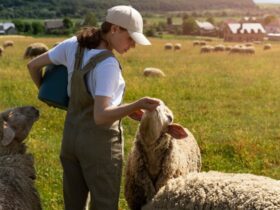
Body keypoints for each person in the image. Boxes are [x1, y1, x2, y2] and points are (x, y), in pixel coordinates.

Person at [27, 5, 160, 210]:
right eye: (131, 38)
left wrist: (49, 95)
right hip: (99, 148)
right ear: (115, 29)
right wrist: (138, 103)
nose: (132, 45)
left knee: (73, 205)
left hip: (71, 139)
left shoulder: (73, 45)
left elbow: (33, 66)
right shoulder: (108, 65)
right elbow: (100, 116)